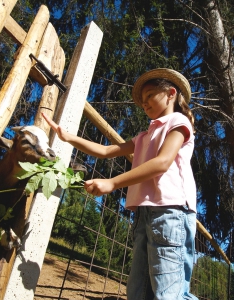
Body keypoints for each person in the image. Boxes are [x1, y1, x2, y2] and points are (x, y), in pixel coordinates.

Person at [42, 68, 198, 300]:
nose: (144, 105)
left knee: (169, 293)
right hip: (145, 213)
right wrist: (68, 137)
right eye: (142, 102)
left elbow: (163, 162)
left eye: (150, 96)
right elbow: (106, 151)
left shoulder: (179, 122)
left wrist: (112, 183)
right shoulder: (144, 136)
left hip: (171, 211)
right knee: (138, 291)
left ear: (171, 93)